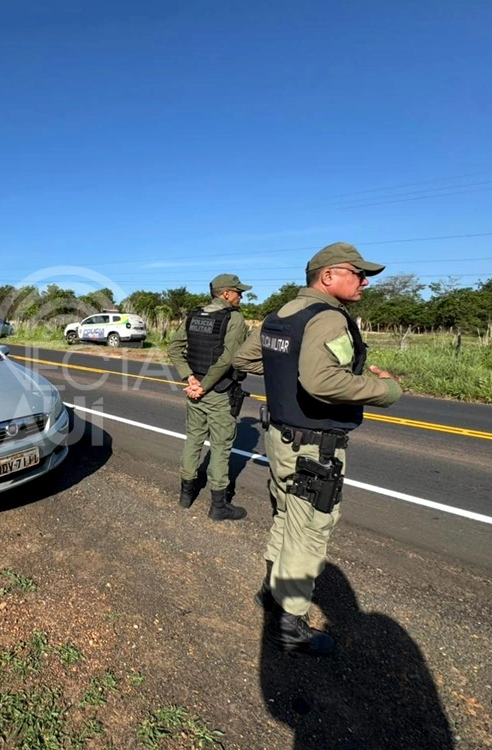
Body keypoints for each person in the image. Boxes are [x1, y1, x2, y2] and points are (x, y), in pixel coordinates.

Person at [233, 242, 402, 655]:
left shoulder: (282, 314)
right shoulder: (327, 319)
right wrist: (385, 389)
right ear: (328, 276)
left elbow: (245, 358)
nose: (364, 282)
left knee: (286, 514)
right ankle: (290, 624)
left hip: (281, 437)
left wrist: (286, 370)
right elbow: (323, 382)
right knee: (310, 528)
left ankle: (270, 594)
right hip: (314, 445)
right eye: (357, 273)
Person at [167, 273, 252, 521]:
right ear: (226, 293)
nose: (241, 296)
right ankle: (218, 506)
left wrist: (189, 378)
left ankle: (186, 496)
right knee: (221, 446)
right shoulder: (234, 319)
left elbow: (174, 348)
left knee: (193, 439)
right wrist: (202, 385)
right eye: (238, 292)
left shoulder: (194, 315)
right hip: (218, 390)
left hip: (195, 389)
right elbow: (228, 359)